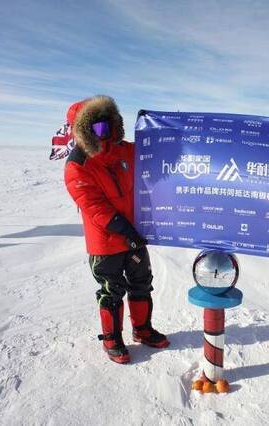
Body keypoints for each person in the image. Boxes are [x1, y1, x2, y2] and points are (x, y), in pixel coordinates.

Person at [64, 95, 169, 364]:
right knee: (111, 290)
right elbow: (95, 208)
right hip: (106, 242)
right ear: (84, 131)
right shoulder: (77, 165)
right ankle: (112, 338)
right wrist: (127, 231)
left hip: (135, 234)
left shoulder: (125, 150)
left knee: (142, 283)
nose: (105, 132)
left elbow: (154, 153)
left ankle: (142, 330)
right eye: (98, 128)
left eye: (109, 124)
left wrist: (164, 129)